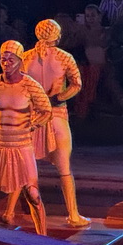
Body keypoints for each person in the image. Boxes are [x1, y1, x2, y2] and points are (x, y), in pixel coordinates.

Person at [0, 39, 52, 235]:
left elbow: (45, 110)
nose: (7, 62)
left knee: (33, 194)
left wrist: (33, 124)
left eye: (11, 59)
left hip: (21, 144)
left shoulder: (30, 86)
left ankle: (43, 237)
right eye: (4, 59)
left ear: (19, 60)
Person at [22, 19, 89, 227]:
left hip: (32, 116)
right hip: (56, 113)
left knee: (27, 168)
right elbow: (77, 84)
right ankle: (74, 215)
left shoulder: (25, 58)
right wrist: (59, 97)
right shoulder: (64, 57)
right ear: (58, 37)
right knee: (64, 169)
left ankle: (15, 212)